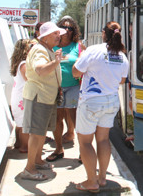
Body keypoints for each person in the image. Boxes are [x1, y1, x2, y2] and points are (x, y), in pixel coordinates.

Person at [72, 21, 129, 192]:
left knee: (85, 142)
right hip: (111, 101)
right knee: (103, 139)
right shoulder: (122, 56)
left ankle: (91, 181)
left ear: (104, 33)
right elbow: (122, 80)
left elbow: (76, 72)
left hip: (91, 101)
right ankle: (102, 178)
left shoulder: (94, 50)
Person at [19, 22, 66, 181]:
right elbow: (40, 70)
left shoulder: (46, 49)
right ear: (44, 37)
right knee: (37, 133)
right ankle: (29, 168)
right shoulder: (39, 50)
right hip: (39, 97)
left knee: (41, 132)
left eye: (58, 34)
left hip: (45, 97)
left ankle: (37, 160)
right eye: (55, 34)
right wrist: (56, 62)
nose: (58, 36)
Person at [46, 16, 86, 162]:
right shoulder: (52, 46)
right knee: (57, 119)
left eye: (70, 28)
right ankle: (58, 149)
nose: (67, 30)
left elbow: (86, 63)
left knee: (75, 119)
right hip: (56, 87)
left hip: (74, 86)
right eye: (64, 28)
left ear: (73, 30)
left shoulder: (78, 46)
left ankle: (83, 151)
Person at [10, 39, 32, 153]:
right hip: (22, 98)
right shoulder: (24, 64)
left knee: (19, 122)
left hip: (17, 96)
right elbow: (29, 79)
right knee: (24, 123)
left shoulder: (17, 63)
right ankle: (24, 146)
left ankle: (19, 143)